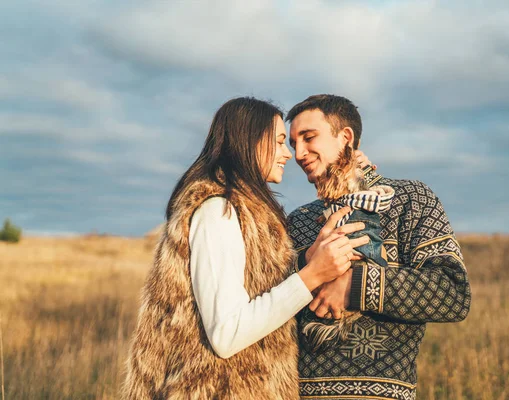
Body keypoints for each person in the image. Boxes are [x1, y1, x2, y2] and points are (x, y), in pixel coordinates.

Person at [122, 97, 369, 399]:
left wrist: (351, 177)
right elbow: (227, 333)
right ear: (249, 141)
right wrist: (312, 276)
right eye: (280, 142)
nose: (288, 154)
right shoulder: (218, 211)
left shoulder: (249, 215)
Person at [286, 94, 472, 400]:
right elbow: (267, 305)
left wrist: (353, 285)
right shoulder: (299, 220)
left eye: (308, 138)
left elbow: (453, 293)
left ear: (345, 137)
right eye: (293, 144)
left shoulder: (412, 200)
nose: (299, 153)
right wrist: (308, 266)